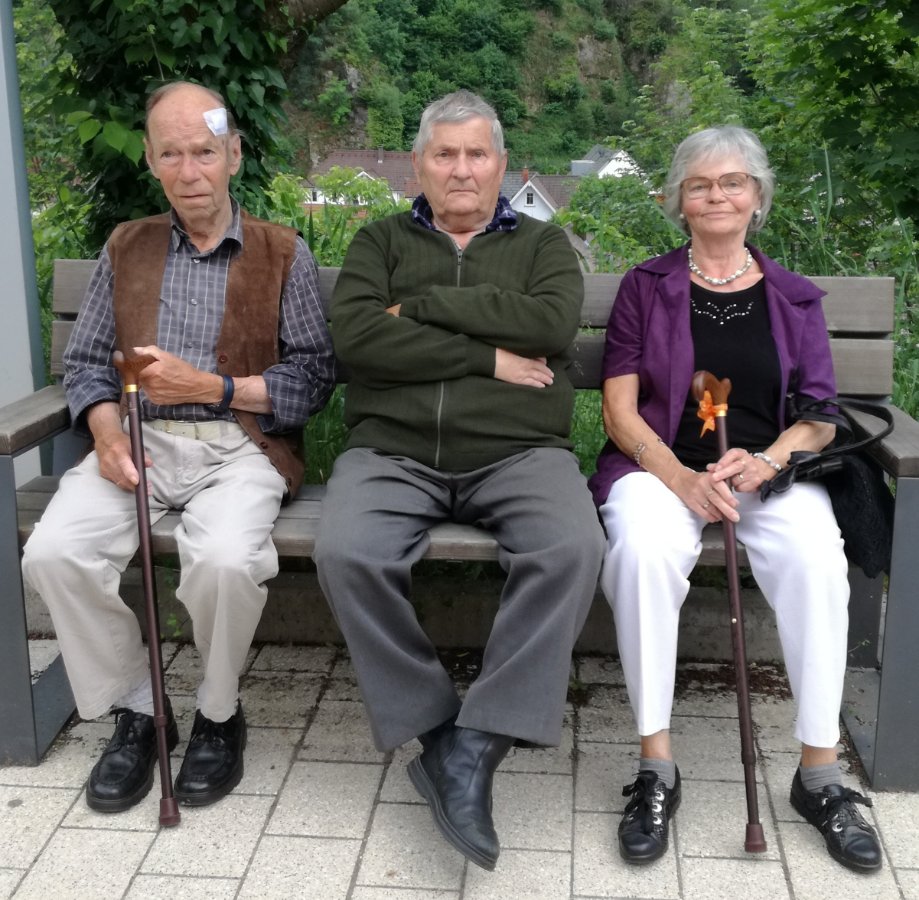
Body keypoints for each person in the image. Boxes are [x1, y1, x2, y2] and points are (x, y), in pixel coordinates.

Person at [22, 81, 335, 813]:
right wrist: (105, 434)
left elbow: (311, 381)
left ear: (234, 155)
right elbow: (89, 364)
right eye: (172, 154)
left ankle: (219, 714)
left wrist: (213, 387)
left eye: (204, 152)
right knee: (53, 554)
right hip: (138, 442)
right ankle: (139, 707)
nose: (190, 171)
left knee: (224, 561)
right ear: (151, 160)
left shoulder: (282, 252)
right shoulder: (125, 245)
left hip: (241, 448)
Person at [313, 90, 605, 871]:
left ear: (501, 165)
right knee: (345, 551)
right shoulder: (378, 241)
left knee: (571, 548)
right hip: (392, 452)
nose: (461, 169)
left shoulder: (543, 245)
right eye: (445, 154)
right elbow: (359, 342)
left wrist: (425, 306)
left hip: (519, 451)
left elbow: (549, 325)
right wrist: (485, 355)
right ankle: (438, 730)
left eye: (476, 154)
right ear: (419, 165)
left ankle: (479, 738)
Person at [589, 125, 882, 873]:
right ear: (678, 200)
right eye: (699, 184)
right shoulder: (646, 287)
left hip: (764, 473)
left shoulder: (792, 297)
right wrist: (679, 477)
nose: (716, 195)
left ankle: (819, 774)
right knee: (641, 552)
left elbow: (819, 416)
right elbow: (619, 411)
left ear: (756, 196)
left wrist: (769, 459)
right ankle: (656, 765)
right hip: (663, 471)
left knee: (817, 560)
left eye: (732, 182)